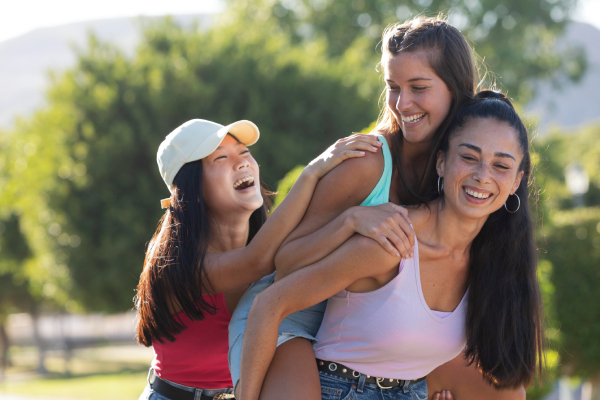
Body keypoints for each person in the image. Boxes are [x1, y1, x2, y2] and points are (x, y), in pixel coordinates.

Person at [228, 15, 480, 399]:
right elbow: (286, 265)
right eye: (393, 87)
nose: (402, 103)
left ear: (456, 90)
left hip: (360, 330)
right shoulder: (367, 162)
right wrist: (351, 220)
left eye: (418, 87)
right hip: (286, 316)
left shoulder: (464, 169)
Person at [239, 91, 544, 400]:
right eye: (469, 158)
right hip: (340, 389)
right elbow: (270, 303)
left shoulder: (493, 261)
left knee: (509, 394)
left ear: (516, 182)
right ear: (441, 163)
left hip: (411, 391)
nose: (482, 176)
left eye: (501, 166)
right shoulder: (393, 240)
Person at [135, 118, 413, 400]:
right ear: (190, 191)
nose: (242, 163)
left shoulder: (275, 246)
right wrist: (313, 172)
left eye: (244, 152)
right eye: (221, 158)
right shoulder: (173, 263)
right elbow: (256, 262)